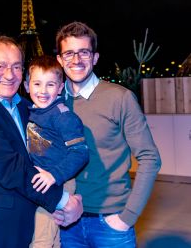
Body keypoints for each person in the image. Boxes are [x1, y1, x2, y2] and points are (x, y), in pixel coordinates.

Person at [0, 35, 83, 248]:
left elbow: (51, 155)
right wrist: (63, 201)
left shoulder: (27, 108)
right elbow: (9, 166)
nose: (9, 75)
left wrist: (67, 200)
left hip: (29, 224)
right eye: (0, 66)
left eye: (16, 67)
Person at [53, 21, 162, 247]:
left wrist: (127, 218)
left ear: (95, 58)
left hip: (111, 224)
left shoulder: (119, 98)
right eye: (69, 53)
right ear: (60, 60)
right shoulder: (53, 102)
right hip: (66, 223)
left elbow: (150, 158)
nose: (76, 60)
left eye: (84, 52)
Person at [23, 55, 90, 248]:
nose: (43, 91)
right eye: (37, 84)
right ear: (27, 86)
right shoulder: (33, 112)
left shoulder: (63, 116)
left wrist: (54, 175)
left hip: (59, 181)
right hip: (42, 180)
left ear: (60, 88)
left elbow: (80, 152)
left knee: (41, 240)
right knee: (52, 238)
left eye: (50, 85)